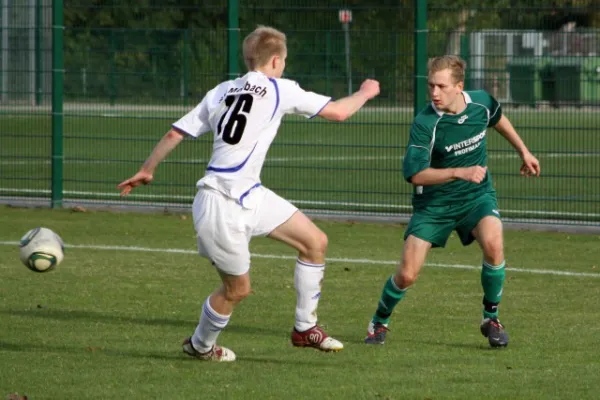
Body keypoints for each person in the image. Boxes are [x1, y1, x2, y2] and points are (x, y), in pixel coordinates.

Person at [118, 25, 380, 362]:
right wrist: (365, 92)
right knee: (237, 290)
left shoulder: (222, 90)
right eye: (283, 61)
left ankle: (304, 328)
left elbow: (175, 132)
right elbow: (340, 112)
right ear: (274, 60)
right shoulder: (279, 89)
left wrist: (148, 169)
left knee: (315, 242)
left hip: (250, 194)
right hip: (220, 202)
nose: (283, 67)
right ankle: (200, 346)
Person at [364, 55, 540, 348]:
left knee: (494, 245)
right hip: (433, 207)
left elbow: (497, 119)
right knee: (407, 275)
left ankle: (490, 318)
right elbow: (415, 174)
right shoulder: (425, 122)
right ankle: (379, 322)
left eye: (441, 86)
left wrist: (524, 151)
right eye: (430, 85)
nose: (434, 93)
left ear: (459, 86)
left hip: (476, 197)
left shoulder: (481, 102)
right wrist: (459, 171)